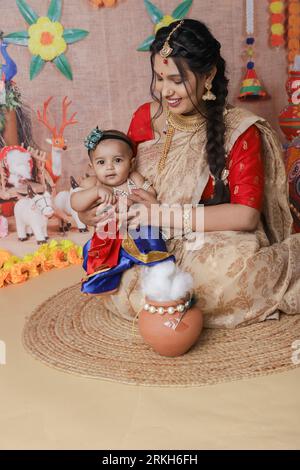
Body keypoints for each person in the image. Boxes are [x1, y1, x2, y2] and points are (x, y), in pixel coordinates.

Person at [78, 19, 300, 327]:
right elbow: (120, 183)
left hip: (210, 238)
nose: (165, 90)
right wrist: (96, 213)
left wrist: (163, 214)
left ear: (207, 75)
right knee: (118, 264)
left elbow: (246, 216)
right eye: (158, 78)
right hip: (150, 237)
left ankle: (169, 300)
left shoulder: (240, 130)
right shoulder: (145, 118)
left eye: (176, 79)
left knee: (234, 271)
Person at [71, 127, 174, 295]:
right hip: (109, 235)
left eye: (118, 160)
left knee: (150, 234)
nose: (110, 167)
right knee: (94, 250)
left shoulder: (133, 178)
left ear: (131, 163)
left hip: (136, 227)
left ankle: (159, 270)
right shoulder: (94, 183)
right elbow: (75, 203)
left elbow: (151, 195)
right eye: (101, 162)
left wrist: (134, 199)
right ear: (92, 167)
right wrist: (96, 193)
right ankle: (104, 283)